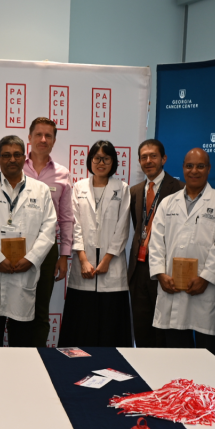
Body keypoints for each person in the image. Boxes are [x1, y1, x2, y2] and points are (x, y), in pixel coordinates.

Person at [0, 135, 57, 347]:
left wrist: (32, 259)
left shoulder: (40, 189)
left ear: (24, 157)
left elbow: (49, 229)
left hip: (23, 272)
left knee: (22, 341)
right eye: (6, 155)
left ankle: (19, 380)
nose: (12, 159)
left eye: (17, 155)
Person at [148, 148, 215, 355]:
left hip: (204, 289)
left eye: (200, 166)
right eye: (189, 166)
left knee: (207, 354)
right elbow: (156, 242)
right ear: (183, 168)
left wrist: (205, 278)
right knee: (176, 354)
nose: (194, 171)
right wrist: (160, 274)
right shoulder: (168, 202)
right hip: (171, 286)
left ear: (208, 169)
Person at [58, 140, 132, 347]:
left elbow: (122, 227)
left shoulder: (122, 188)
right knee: (81, 325)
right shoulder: (79, 187)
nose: (101, 162)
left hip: (112, 264)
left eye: (106, 158)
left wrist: (108, 259)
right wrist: (82, 259)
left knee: (111, 325)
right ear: (90, 161)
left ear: (113, 162)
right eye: (96, 158)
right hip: (85, 263)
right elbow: (75, 224)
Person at [128, 140, 184, 348]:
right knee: (141, 331)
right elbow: (138, 226)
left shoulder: (179, 189)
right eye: (144, 157)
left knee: (165, 332)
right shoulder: (134, 191)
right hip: (139, 269)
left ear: (164, 159)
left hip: (165, 270)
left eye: (153, 156)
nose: (148, 161)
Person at [22, 117, 73, 346]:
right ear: (30, 137)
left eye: (48, 136)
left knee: (41, 309)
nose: (43, 139)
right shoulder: (15, 167)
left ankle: (38, 359)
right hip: (17, 246)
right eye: (39, 135)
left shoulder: (62, 174)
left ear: (53, 141)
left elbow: (65, 218)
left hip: (48, 249)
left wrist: (63, 255)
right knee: (15, 307)